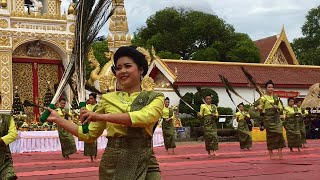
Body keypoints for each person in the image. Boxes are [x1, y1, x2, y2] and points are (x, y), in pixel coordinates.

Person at [47, 46, 164, 179]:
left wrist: (101, 116)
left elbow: (145, 118)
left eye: (127, 66)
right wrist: (58, 119)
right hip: (114, 163)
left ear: (141, 69)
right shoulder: (108, 99)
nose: (122, 71)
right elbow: (88, 134)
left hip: (145, 161)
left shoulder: (155, 97)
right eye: (118, 68)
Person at [258, 80, 286, 159]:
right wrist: (260, 108)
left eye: (272, 87)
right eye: (269, 87)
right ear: (266, 89)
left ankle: (280, 153)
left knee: (280, 133)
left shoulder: (276, 97)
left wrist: (278, 108)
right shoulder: (263, 98)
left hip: (276, 118)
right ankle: (271, 154)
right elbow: (261, 108)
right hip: (268, 118)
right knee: (270, 135)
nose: (271, 89)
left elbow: (281, 109)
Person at [0, 93, 18, 179]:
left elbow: (13, 134)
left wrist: (1, 140)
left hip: (4, 159)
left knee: (9, 177)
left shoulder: (7, 118)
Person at [84, 93, 98, 162]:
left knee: (94, 141)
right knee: (88, 140)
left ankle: (95, 155)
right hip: (88, 124)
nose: (90, 100)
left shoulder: (97, 107)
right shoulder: (87, 106)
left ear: (95, 99)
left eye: (92, 98)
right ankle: (91, 157)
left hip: (94, 125)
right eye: (89, 98)